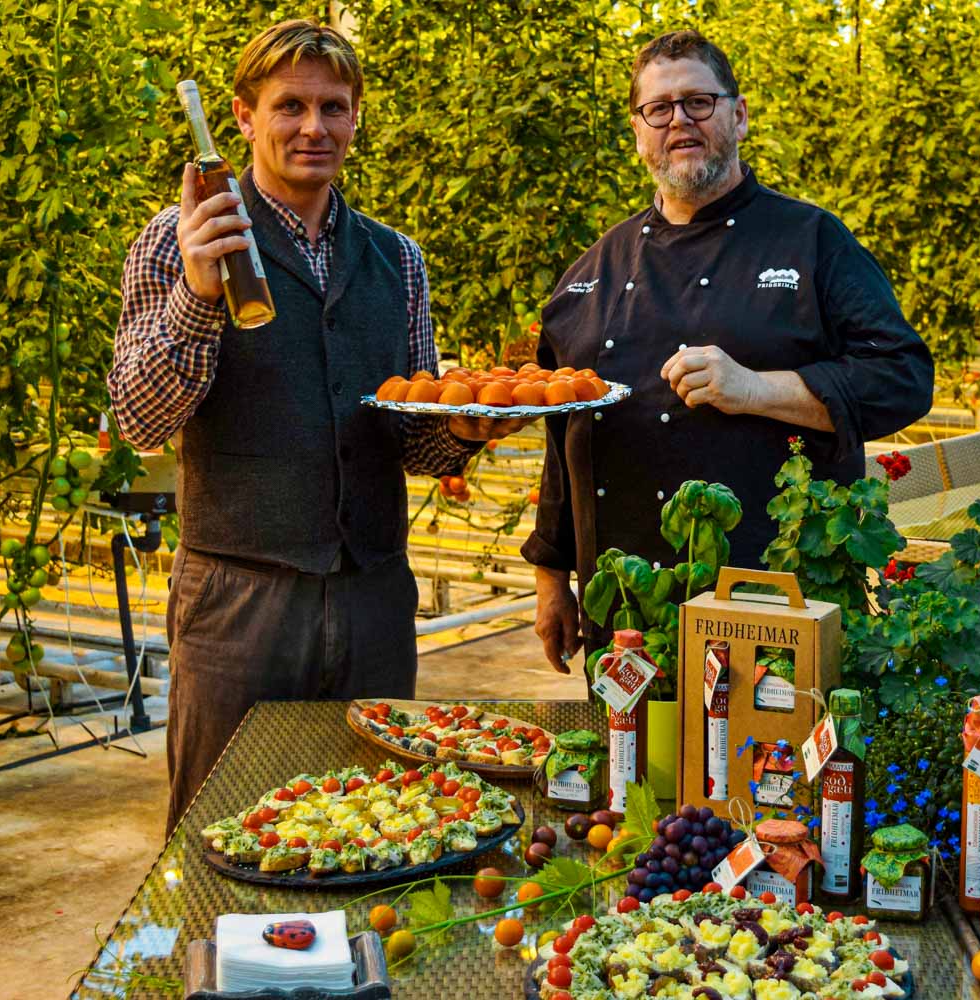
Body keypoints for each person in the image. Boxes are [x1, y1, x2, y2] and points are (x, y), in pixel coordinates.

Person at [108, 20, 522, 834]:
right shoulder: (179, 239)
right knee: (223, 827)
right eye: (289, 106)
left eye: (333, 107)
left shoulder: (397, 260)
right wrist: (197, 295)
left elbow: (413, 442)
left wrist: (468, 431)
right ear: (243, 117)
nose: (313, 127)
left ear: (356, 118)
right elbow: (141, 416)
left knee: (382, 823)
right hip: (239, 604)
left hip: (373, 598)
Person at [524, 29, 934, 672]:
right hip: (625, 608)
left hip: (775, 606)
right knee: (632, 742)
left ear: (738, 115)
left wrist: (757, 389)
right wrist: (551, 573)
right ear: (637, 131)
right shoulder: (595, 268)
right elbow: (563, 432)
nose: (678, 121)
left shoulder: (812, 240)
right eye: (658, 108)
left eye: (699, 101)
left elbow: (902, 377)